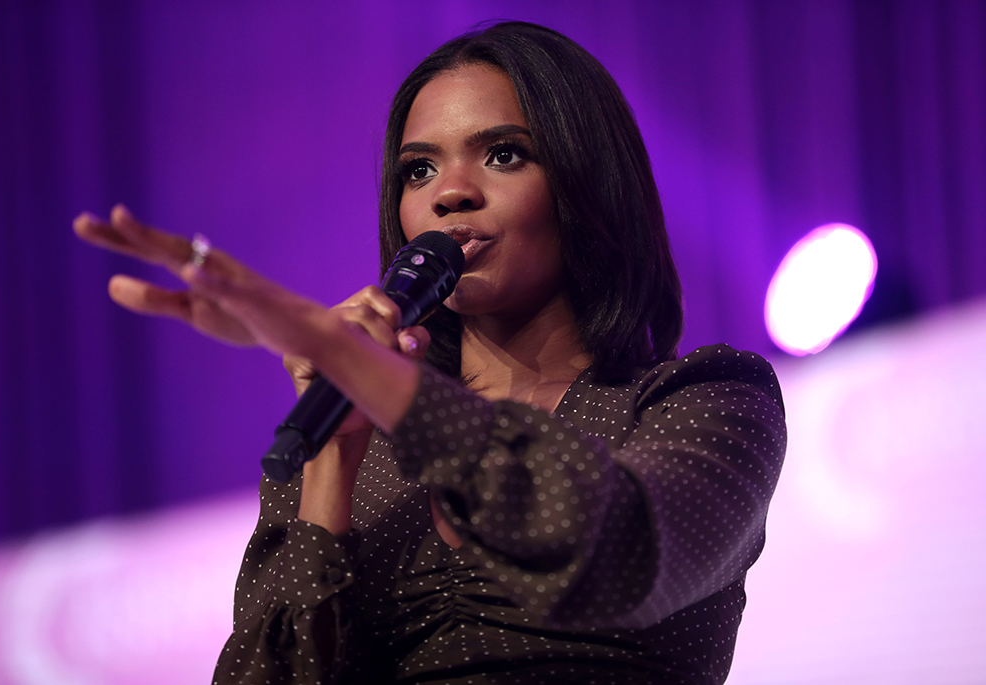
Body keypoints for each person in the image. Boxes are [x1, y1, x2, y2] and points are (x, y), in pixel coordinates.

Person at [74, 21, 785, 685]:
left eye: (503, 154)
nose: (449, 193)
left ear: (586, 179)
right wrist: (330, 463)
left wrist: (384, 382)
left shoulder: (705, 397)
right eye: (418, 170)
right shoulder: (352, 439)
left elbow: (617, 550)